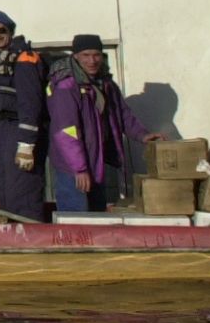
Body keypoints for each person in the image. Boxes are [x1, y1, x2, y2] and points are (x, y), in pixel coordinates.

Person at [46, 35, 162, 213]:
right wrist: (80, 169)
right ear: (75, 56)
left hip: (97, 162)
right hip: (73, 167)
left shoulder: (105, 83)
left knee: (97, 214)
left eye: (96, 55)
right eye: (86, 55)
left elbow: (122, 114)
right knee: (76, 218)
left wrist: (142, 134)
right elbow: (66, 132)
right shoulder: (67, 86)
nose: (92, 61)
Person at [0, 7, 49, 221]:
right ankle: (15, 237)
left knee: (23, 192)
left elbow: (31, 104)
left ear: (10, 30)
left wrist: (26, 146)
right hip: (2, 132)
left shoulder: (25, 60)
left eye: (1, 30)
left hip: (20, 131)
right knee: (7, 192)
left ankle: (31, 240)